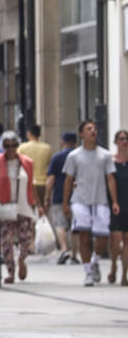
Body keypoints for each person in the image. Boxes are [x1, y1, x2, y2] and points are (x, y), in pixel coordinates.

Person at [62, 119, 120, 286]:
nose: (93, 131)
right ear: (82, 134)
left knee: (102, 237)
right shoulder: (74, 156)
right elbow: (68, 180)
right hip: (80, 200)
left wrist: (114, 201)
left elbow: (110, 179)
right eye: (89, 129)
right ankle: (87, 271)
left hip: (100, 200)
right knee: (84, 235)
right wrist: (65, 203)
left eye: (94, 128)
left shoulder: (105, 155)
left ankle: (95, 261)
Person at [0, 130, 42, 284]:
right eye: (7, 146)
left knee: (26, 241)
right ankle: (10, 271)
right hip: (6, 206)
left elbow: (32, 184)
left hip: (24, 205)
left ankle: (22, 259)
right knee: (6, 241)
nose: (10, 149)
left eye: (14, 145)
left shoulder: (27, 162)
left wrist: (38, 204)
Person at [48, 131, 79, 263]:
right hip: (78, 196)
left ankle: (64, 249)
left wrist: (46, 196)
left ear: (63, 142)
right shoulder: (79, 156)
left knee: (60, 224)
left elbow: (51, 178)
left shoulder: (57, 157)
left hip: (59, 195)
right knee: (75, 226)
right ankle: (74, 255)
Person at [18, 123, 52, 215]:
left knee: (31, 211)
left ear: (29, 133)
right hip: (43, 183)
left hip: (29, 183)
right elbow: (50, 165)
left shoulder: (22, 148)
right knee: (43, 212)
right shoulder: (47, 148)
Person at [109, 130, 128, 286]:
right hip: (116, 203)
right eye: (121, 139)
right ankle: (114, 265)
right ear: (116, 141)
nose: (125, 141)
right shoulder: (111, 161)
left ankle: (124, 275)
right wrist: (114, 202)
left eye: (126, 138)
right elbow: (110, 182)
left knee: (127, 240)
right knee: (116, 240)